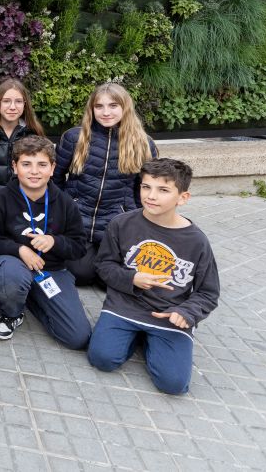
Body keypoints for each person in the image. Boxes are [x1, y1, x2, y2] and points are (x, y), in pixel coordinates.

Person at [88, 158, 219, 395]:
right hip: (124, 307)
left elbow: (208, 292)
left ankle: (152, 339)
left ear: (183, 198)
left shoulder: (197, 241)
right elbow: (104, 265)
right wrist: (132, 279)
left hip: (167, 315)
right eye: (146, 187)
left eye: (163, 190)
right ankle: (134, 336)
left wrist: (186, 313)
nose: (151, 196)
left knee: (173, 385)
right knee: (102, 359)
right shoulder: (121, 224)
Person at [0, 135, 91, 349]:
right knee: (11, 276)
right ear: (15, 167)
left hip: (51, 271)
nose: (34, 171)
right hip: (13, 265)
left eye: (42, 165)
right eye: (26, 164)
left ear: (53, 168)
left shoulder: (65, 203)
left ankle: (33, 297)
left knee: (77, 337)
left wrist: (55, 241)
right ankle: (11, 313)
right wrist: (19, 249)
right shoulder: (1, 198)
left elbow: (79, 247)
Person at [54, 83, 158, 286]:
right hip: (78, 221)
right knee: (80, 274)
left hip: (116, 224)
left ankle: (106, 261)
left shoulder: (143, 143)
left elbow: (144, 188)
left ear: (125, 107)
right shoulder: (75, 137)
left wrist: (139, 223)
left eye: (113, 106)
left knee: (108, 280)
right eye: (99, 106)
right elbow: (55, 177)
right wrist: (65, 207)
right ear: (91, 109)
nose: (106, 112)